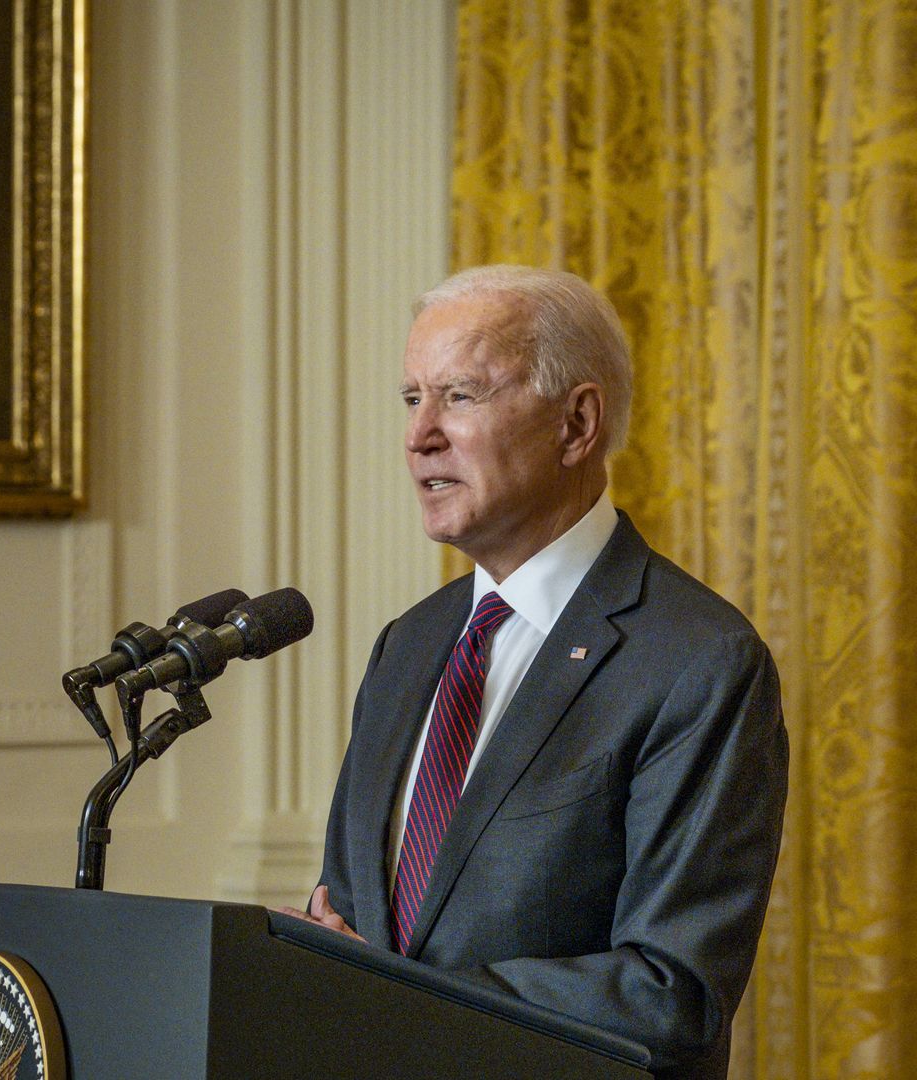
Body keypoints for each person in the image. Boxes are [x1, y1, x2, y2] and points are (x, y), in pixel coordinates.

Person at [281, 266, 787, 1080]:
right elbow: (346, 911)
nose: (420, 437)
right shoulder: (407, 646)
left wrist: (398, 994)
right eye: (412, 399)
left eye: (462, 396)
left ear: (577, 423)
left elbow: (671, 994)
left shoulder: (698, 661)